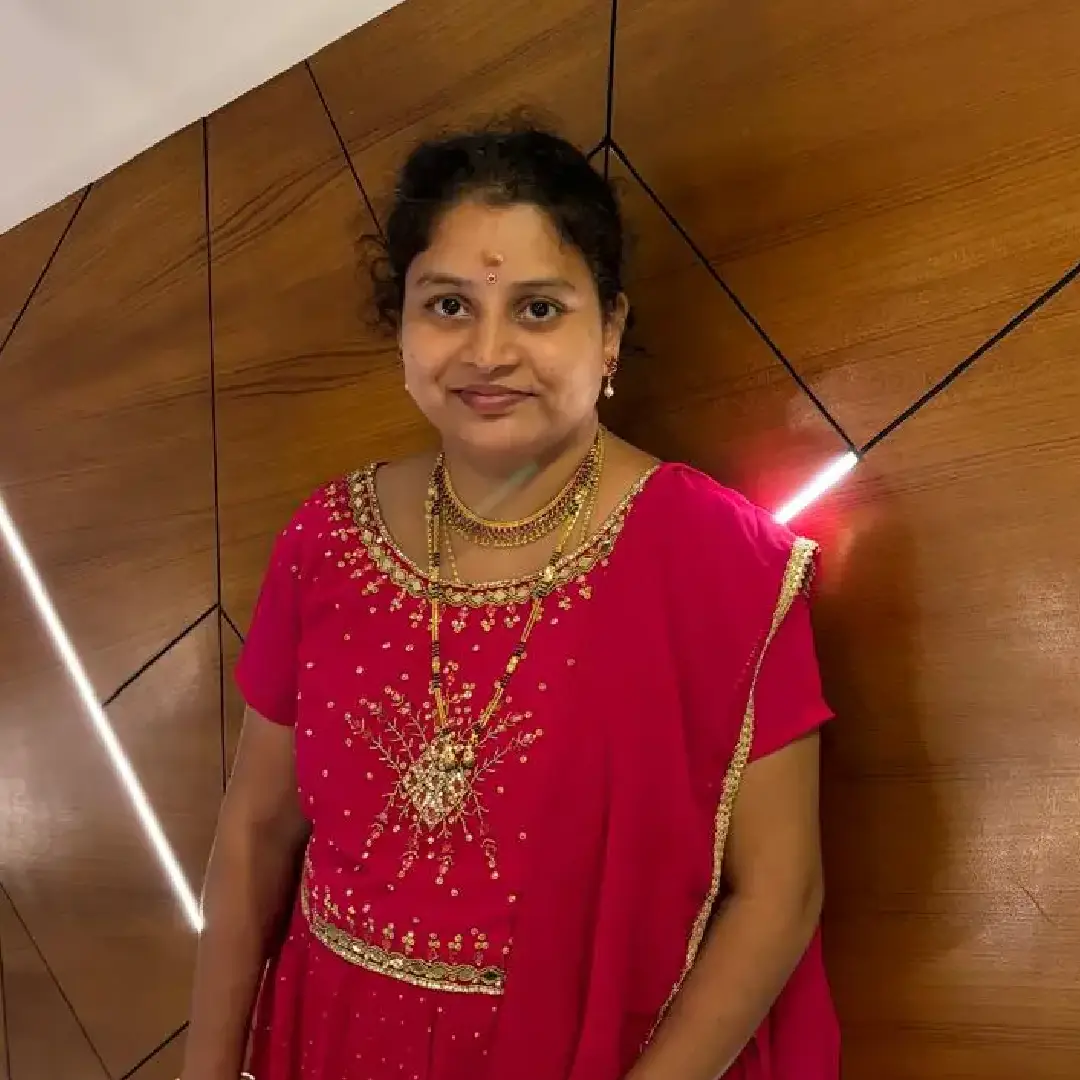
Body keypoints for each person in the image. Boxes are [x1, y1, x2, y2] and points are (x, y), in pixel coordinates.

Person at [180, 122, 840, 1080]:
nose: (488, 351)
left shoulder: (723, 563)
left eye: (538, 309)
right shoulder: (324, 540)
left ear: (608, 331)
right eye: (448, 304)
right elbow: (255, 831)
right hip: (331, 1036)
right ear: (402, 327)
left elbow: (780, 894)